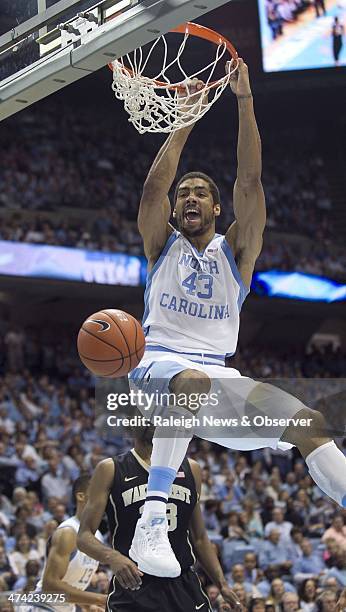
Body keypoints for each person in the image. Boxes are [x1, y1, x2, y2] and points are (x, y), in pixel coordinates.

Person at [127, 58, 346, 578]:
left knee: (309, 424)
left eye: (200, 192)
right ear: (176, 210)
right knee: (194, 381)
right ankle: (151, 519)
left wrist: (244, 101)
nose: (189, 197)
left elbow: (250, 180)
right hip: (157, 365)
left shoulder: (237, 251)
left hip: (218, 374)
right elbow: (151, 191)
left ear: (217, 208)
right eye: (184, 194)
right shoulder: (162, 246)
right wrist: (187, 116)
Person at [77, 425, 241, 611]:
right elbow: (83, 536)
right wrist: (113, 557)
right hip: (135, 583)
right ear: (130, 424)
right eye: (145, 415)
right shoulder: (111, 469)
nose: (152, 421)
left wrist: (222, 585)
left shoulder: (191, 468)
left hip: (183, 583)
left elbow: (200, 537)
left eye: (157, 416)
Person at [27, 474, 106, 612]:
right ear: (81, 497)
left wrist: (88, 606)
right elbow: (50, 586)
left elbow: (72, 585)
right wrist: (101, 599)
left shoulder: (98, 536)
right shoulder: (68, 533)